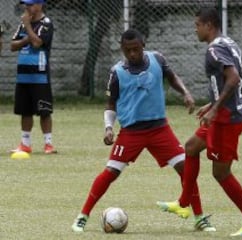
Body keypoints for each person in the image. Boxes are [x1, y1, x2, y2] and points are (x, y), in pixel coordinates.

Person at [71, 29, 216, 233]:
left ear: (143, 45)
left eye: (136, 49)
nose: (132, 54)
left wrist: (186, 93)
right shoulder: (117, 72)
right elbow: (110, 104)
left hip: (159, 129)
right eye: (128, 50)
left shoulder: (157, 59)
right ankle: (82, 216)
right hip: (131, 132)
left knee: (186, 168)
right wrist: (109, 127)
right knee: (111, 172)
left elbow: (172, 77)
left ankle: (200, 217)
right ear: (122, 49)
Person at [156, 7, 242, 237]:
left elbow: (234, 78)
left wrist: (216, 108)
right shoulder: (230, 43)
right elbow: (235, 76)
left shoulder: (214, 50)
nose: (195, 29)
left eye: (197, 25)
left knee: (221, 173)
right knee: (191, 147)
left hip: (228, 118)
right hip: (230, 110)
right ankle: (184, 202)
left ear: (208, 25)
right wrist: (213, 103)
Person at [10, 0, 56, 154]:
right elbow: (12, 45)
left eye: (30, 4)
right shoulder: (23, 23)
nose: (27, 8)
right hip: (23, 76)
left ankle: (48, 144)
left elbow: (37, 43)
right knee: (25, 111)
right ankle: (25, 143)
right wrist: (26, 38)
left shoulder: (46, 23)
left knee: (44, 110)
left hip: (40, 76)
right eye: (26, 5)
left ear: (39, 5)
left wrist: (28, 28)